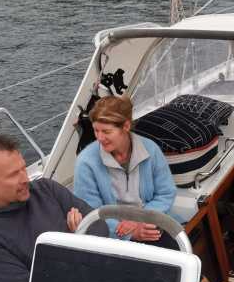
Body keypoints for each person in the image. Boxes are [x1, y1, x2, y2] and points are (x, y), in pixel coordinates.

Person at [0, 134, 107, 282]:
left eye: (23, 168)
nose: (25, 178)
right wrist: (77, 240)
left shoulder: (46, 188)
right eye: (13, 175)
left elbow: (100, 226)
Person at [73, 96, 181, 243]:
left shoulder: (150, 149)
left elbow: (166, 193)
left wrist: (139, 219)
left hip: (149, 221)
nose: (99, 138)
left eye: (106, 131)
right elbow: (90, 212)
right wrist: (130, 234)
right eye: (96, 130)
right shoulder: (85, 162)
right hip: (111, 235)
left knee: (175, 249)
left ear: (126, 126)